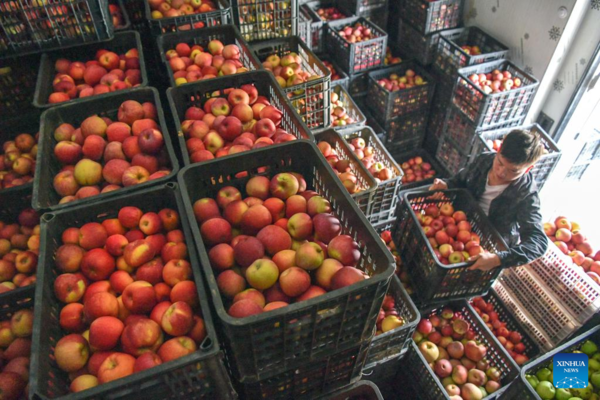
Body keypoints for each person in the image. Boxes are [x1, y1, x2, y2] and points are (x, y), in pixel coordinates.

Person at [429, 128, 548, 272]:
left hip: (488, 248)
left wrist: (499, 259)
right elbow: (460, 181)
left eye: (513, 171)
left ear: (528, 169)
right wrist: (446, 184)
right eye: (500, 162)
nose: (501, 172)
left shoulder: (526, 195)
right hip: (457, 224)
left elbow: (538, 241)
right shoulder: (484, 160)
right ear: (498, 151)